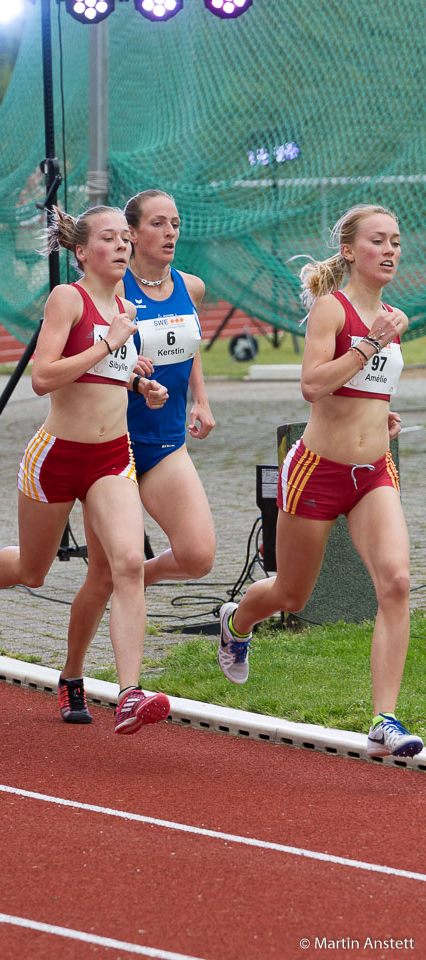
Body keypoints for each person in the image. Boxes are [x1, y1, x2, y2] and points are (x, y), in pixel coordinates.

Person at [0, 204, 171, 735]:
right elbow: (44, 377)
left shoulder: (125, 307)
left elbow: (104, 374)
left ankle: (124, 692)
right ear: (81, 251)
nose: (123, 246)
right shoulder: (68, 299)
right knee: (33, 570)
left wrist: (141, 383)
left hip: (112, 458)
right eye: (110, 238)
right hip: (55, 458)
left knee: (124, 566)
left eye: (126, 238)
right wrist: (109, 343)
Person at [217, 203, 423, 759]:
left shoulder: (396, 316)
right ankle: (236, 623)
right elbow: (312, 385)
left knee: (397, 583)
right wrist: (370, 343)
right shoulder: (333, 311)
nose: (389, 250)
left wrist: (382, 413)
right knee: (292, 593)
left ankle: (384, 718)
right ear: (351, 251)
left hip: (374, 472)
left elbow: (367, 388)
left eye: (396, 242)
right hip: (317, 470)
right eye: (377, 241)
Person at [58, 189, 216, 724]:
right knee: (102, 577)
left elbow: (186, 345)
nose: (170, 233)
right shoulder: (108, 287)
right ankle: (73, 674)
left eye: (176, 223)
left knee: (197, 555)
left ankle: (131, 581)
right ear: (130, 234)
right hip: (113, 447)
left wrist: (201, 397)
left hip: (167, 441)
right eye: (157, 224)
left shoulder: (189, 286)